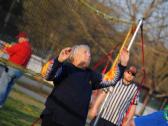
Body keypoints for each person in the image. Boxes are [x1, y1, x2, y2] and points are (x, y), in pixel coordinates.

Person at [40, 44, 129, 126]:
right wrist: (58, 61)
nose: (89, 55)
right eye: (85, 52)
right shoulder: (65, 67)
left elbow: (111, 80)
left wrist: (122, 65)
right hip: (53, 118)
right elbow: (47, 75)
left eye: (89, 53)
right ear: (74, 55)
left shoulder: (91, 75)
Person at [0, 32, 32, 108]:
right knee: (8, 87)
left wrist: (4, 47)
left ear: (23, 38)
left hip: (11, 68)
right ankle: (1, 104)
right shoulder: (30, 49)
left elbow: (7, 50)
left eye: (19, 38)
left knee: (3, 85)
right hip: (20, 71)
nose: (18, 39)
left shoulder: (20, 45)